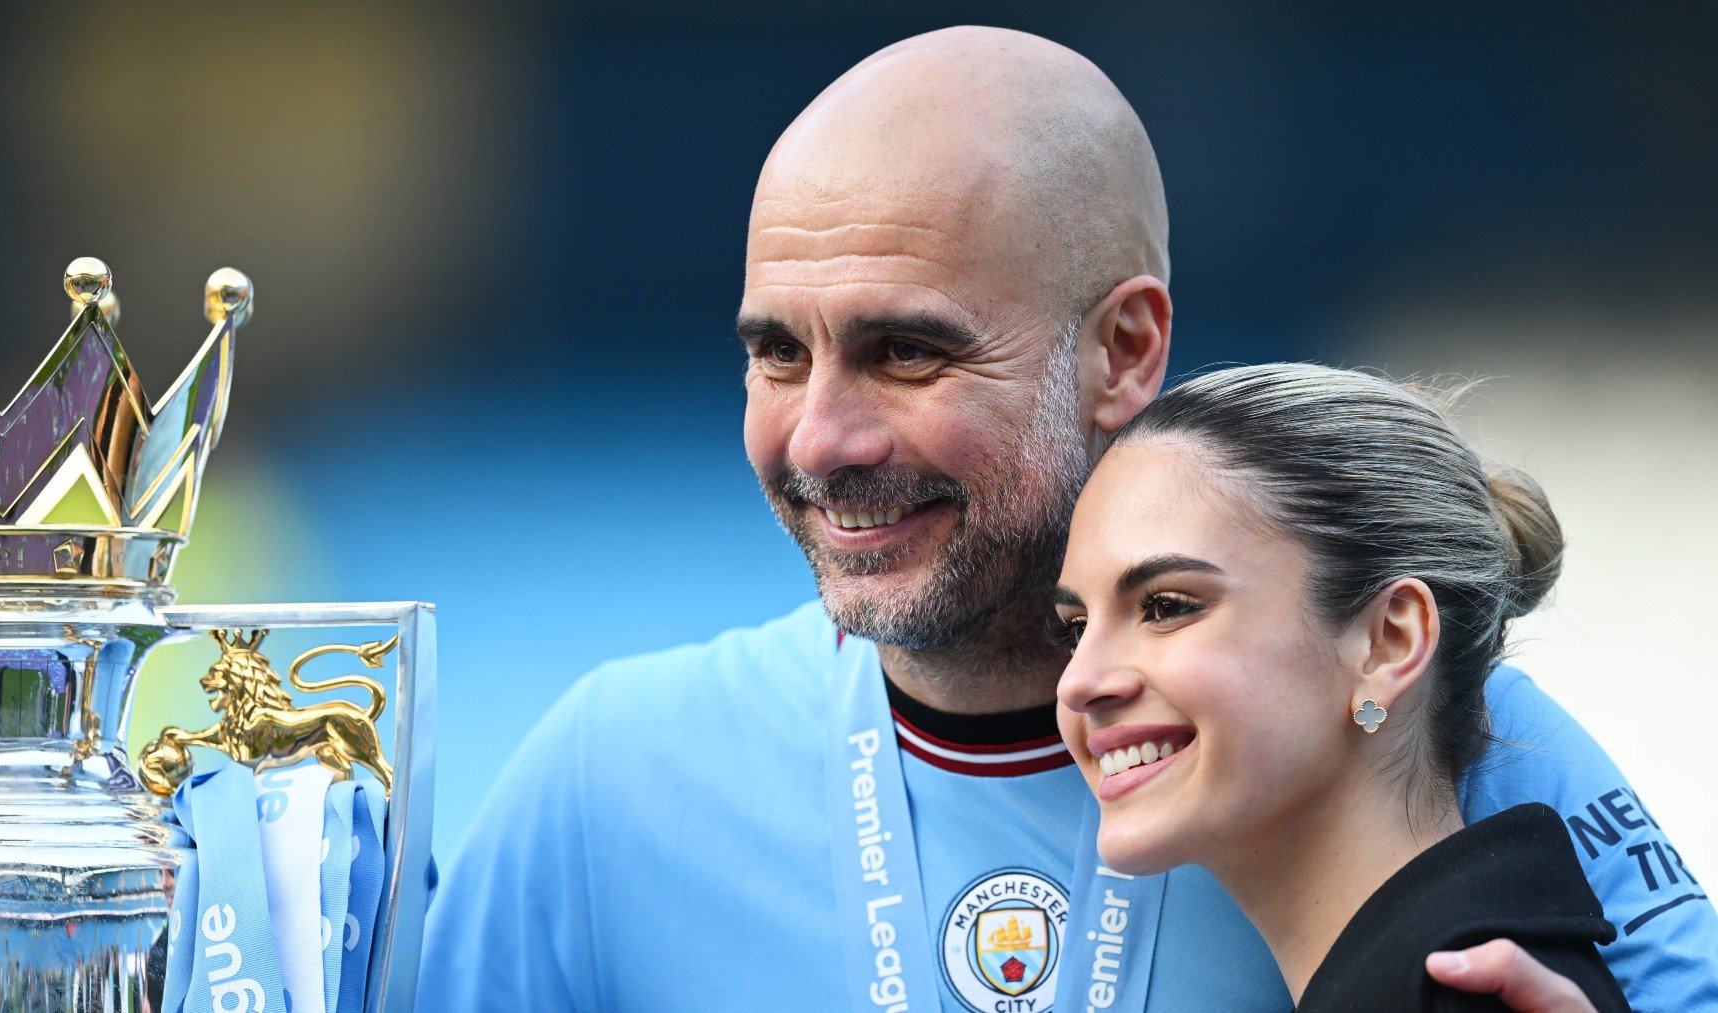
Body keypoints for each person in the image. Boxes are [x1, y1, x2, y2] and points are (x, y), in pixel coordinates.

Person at [418, 26, 1717, 1011]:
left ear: (1122, 349)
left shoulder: (1418, 723)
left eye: (906, 353)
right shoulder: (605, 784)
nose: (821, 437)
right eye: (775, 355)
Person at [1053, 363, 1630, 1010]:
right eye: (1073, 628)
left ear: (1390, 642)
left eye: (1167, 606)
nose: (1080, 682)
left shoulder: (1461, 990)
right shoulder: (1484, 965)